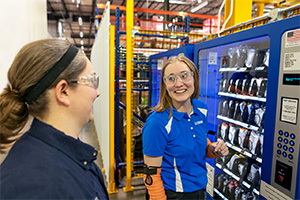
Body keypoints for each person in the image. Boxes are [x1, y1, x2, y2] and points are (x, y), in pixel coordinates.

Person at [0, 38, 109, 199]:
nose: (97, 92)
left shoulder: (69, 157)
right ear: (63, 91)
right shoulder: (37, 187)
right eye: (92, 81)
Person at [142, 55, 229, 200]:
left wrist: (213, 149)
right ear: (164, 84)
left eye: (184, 76)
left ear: (194, 78)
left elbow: (197, 142)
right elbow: (151, 174)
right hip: (173, 195)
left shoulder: (201, 109)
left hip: (201, 190)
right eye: (171, 78)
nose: (178, 83)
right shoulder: (157, 123)